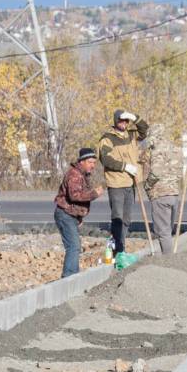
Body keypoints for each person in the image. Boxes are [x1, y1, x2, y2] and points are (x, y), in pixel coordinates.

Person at [96, 108, 149, 256]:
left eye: (126, 120)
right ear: (115, 121)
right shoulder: (107, 138)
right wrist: (124, 166)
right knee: (117, 218)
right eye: (121, 120)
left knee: (127, 219)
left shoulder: (132, 135)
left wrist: (134, 117)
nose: (124, 123)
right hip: (116, 184)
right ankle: (117, 249)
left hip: (130, 183)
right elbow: (105, 159)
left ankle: (121, 245)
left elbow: (145, 130)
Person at [54, 148, 105, 277]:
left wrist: (79, 218)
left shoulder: (82, 174)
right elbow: (75, 196)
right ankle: (69, 277)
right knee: (73, 246)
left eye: (94, 163)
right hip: (65, 214)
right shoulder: (74, 175)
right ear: (81, 162)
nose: (93, 166)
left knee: (75, 245)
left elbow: (76, 202)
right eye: (90, 162)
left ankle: (73, 275)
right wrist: (94, 194)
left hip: (71, 215)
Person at [143, 127, 182, 255]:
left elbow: (156, 172)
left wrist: (147, 185)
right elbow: (181, 172)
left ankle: (168, 261)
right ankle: (169, 255)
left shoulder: (157, 150)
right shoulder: (176, 149)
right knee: (168, 230)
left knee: (163, 231)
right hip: (174, 193)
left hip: (160, 194)